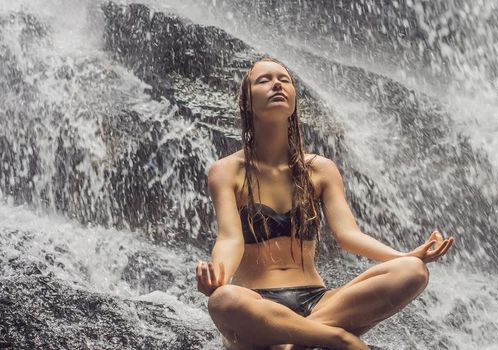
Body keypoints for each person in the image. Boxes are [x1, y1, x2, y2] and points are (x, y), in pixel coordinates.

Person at [195, 57, 455, 350]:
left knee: (413, 270)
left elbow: (349, 235)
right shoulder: (227, 170)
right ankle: (336, 337)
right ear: (247, 102)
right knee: (224, 299)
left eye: (284, 79)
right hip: (258, 301)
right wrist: (218, 274)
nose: (277, 83)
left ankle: (294, 338)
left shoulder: (321, 169)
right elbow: (230, 238)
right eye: (264, 80)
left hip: (320, 301)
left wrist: (403, 254)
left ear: (293, 98)